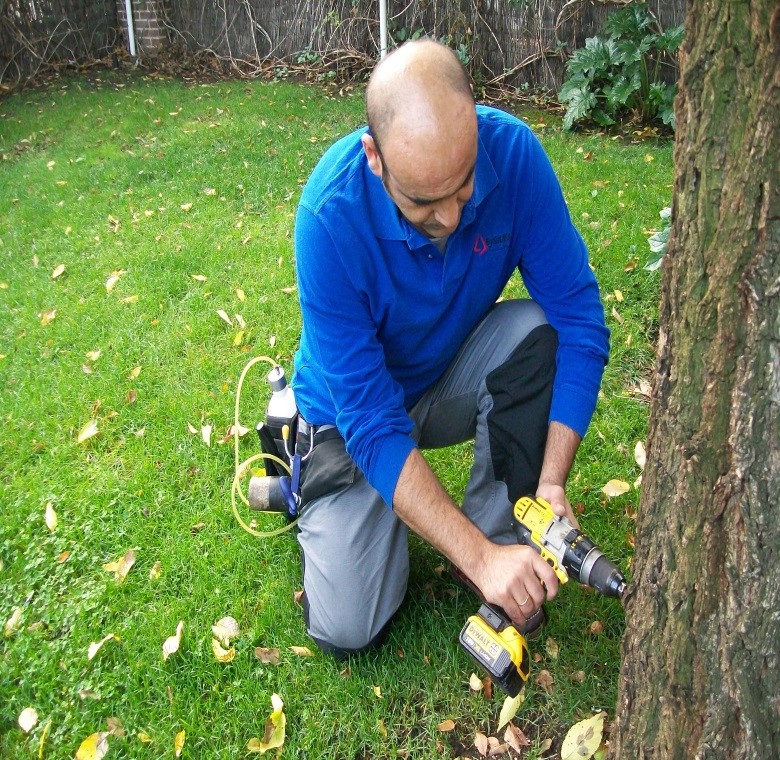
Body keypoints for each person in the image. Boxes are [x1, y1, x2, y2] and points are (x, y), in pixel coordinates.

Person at [289, 39, 609, 656]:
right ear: (375, 157)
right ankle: (301, 466)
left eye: (462, 189)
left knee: (537, 329)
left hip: (441, 378)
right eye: (422, 204)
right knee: (351, 627)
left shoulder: (513, 155)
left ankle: (498, 536)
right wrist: (477, 554)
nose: (451, 218)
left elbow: (579, 318)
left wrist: (552, 481)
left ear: (474, 123)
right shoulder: (328, 218)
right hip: (350, 415)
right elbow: (375, 426)